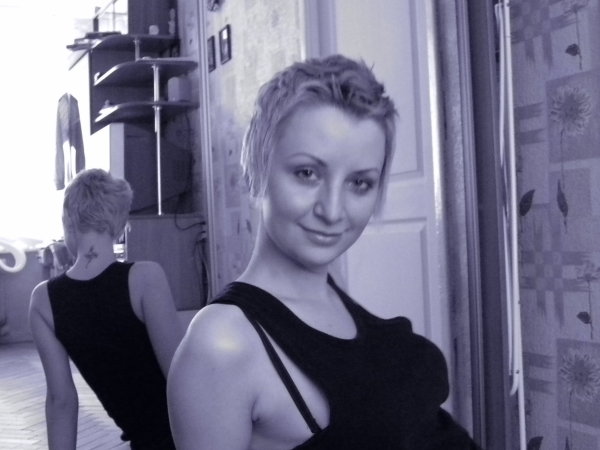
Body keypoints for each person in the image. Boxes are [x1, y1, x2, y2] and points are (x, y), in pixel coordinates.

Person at [167, 54, 479, 449]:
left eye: (359, 183)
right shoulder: (221, 344)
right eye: (307, 173)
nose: (332, 211)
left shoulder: (333, 294)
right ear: (256, 171)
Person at [29, 168, 182, 450]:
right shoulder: (146, 278)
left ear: (67, 221)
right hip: (188, 438)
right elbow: (182, 378)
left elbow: (61, 402)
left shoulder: (44, 301)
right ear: (120, 225)